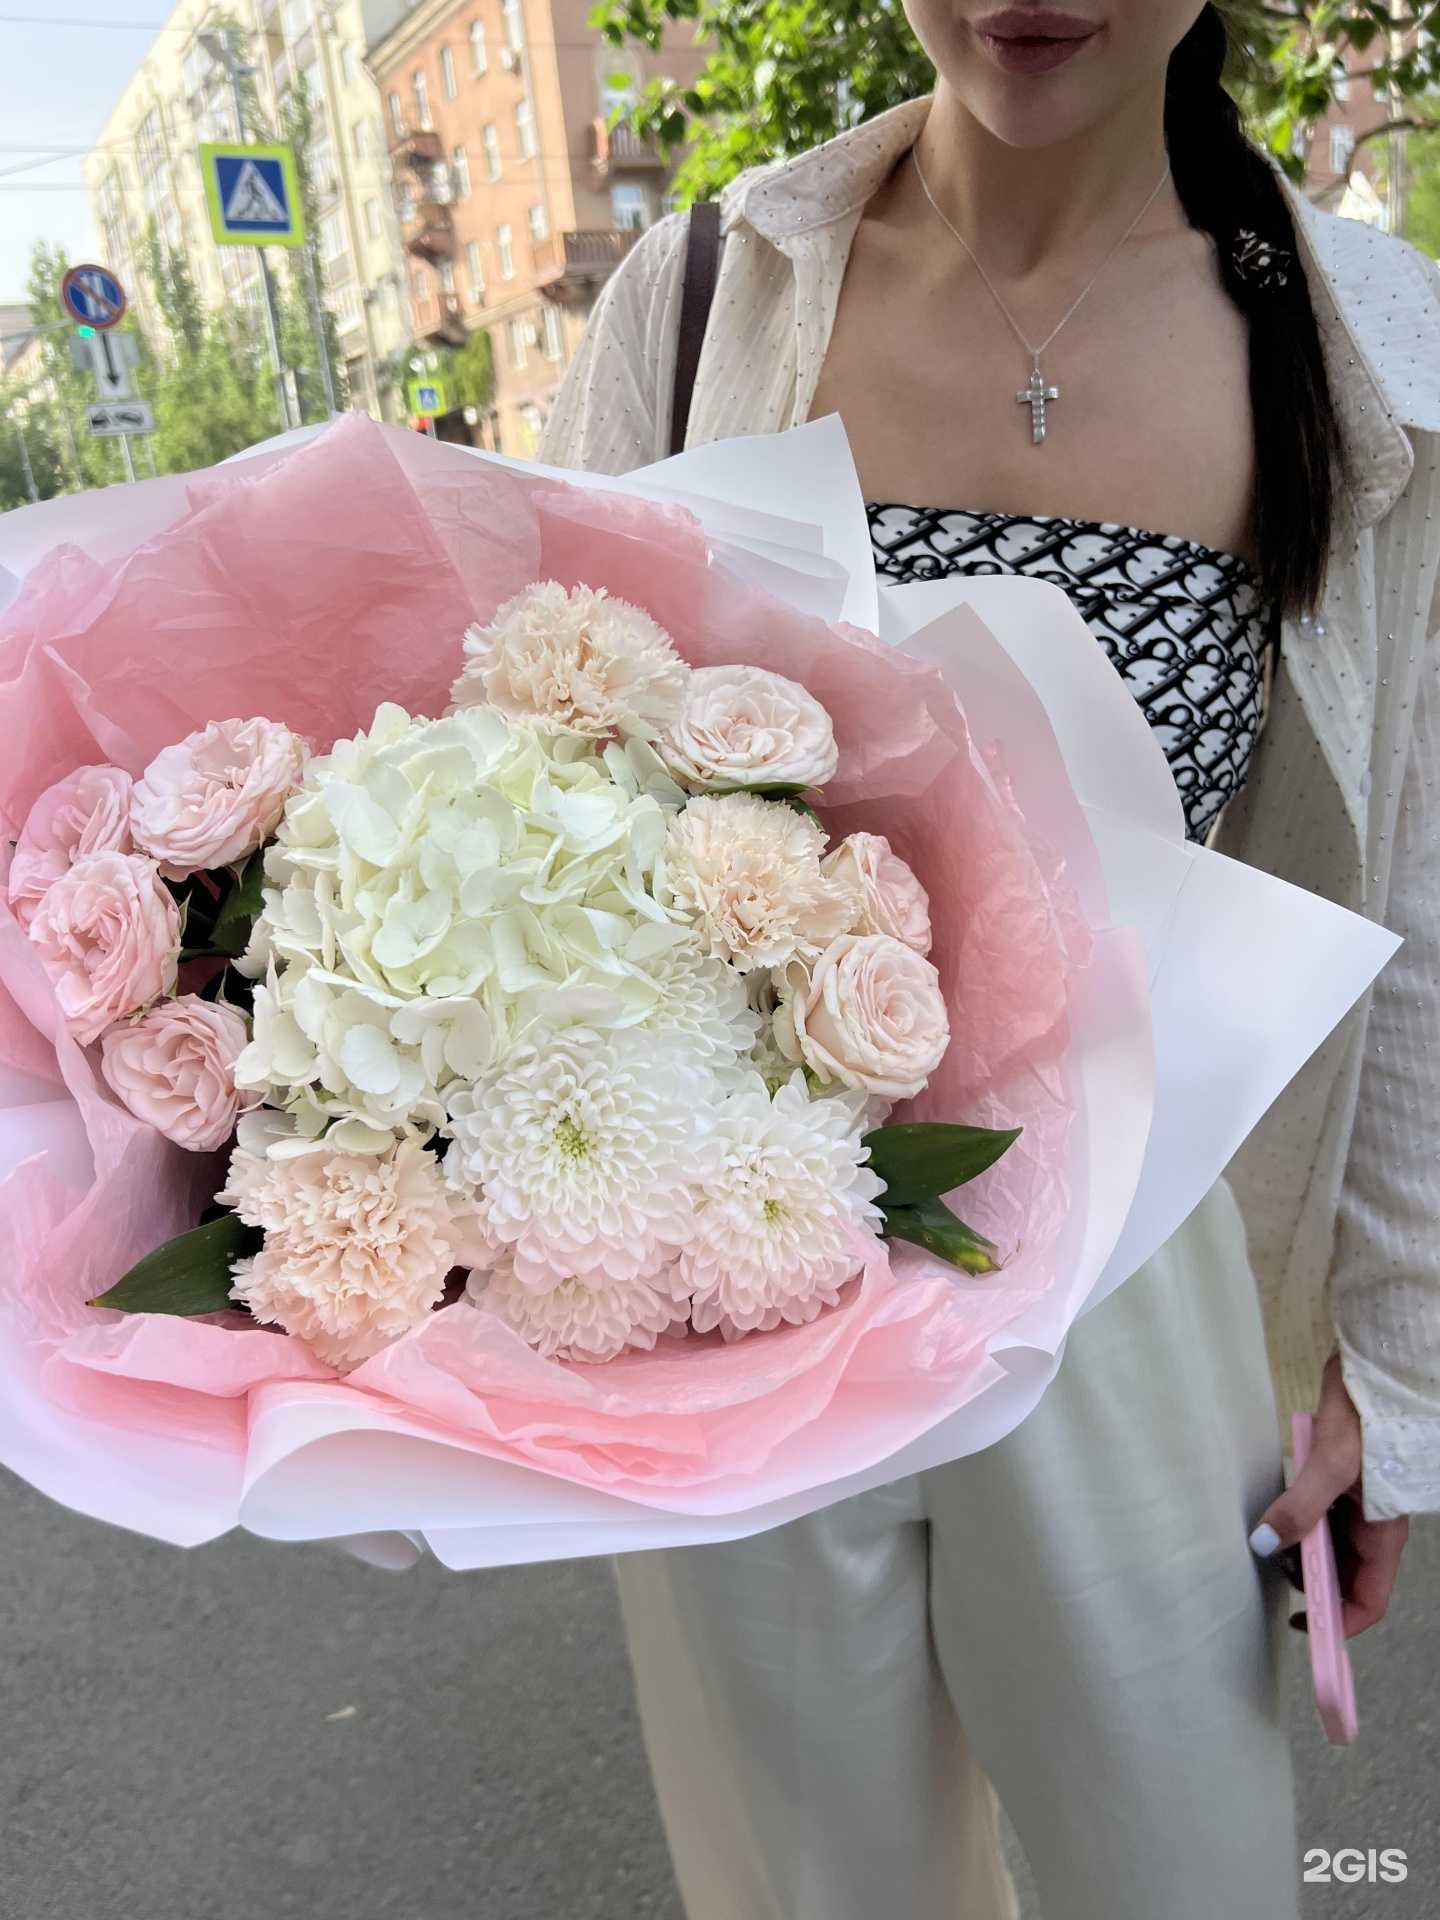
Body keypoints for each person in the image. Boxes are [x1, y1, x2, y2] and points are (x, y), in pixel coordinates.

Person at [541, 5, 1440, 1915]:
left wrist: (1395, 1367)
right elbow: (551, 782)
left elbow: (1417, 897)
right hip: (728, 1280)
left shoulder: (1358, 338)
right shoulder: (702, 297)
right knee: (802, 1893)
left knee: (1180, 1881)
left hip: (1133, 1261)